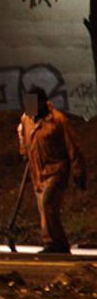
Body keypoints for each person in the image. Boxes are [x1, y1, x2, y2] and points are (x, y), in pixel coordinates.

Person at [17, 88, 86, 254]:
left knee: (48, 203)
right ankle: (60, 243)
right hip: (37, 172)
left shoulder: (58, 120)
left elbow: (72, 147)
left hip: (56, 170)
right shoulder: (26, 119)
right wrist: (24, 152)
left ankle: (51, 242)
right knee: (46, 210)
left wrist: (78, 171)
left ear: (42, 103)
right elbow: (22, 135)